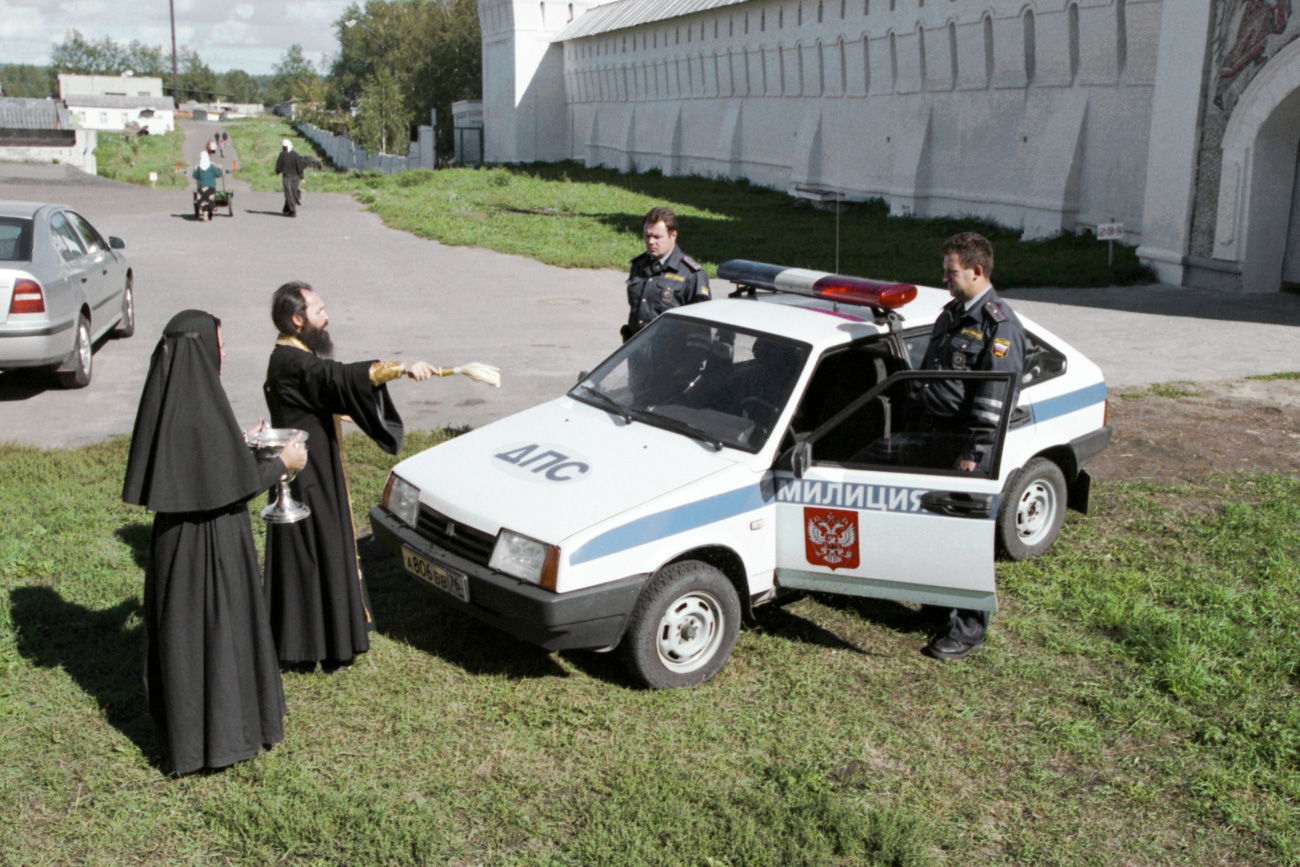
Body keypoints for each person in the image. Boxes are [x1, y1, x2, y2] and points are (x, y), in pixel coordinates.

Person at [122, 309, 308, 775]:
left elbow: (206, 462)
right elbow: (228, 485)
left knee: (187, 637)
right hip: (214, 544)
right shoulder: (201, 404)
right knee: (220, 631)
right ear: (202, 349)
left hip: (174, 547)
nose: (223, 353)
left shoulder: (174, 400)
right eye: (219, 345)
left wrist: (241, 444)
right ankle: (227, 736)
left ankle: (193, 735)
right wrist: (282, 464)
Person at [262, 281, 436, 672]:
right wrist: (400, 367)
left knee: (326, 548)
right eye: (319, 311)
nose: (327, 318)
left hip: (318, 468)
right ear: (297, 318)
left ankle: (329, 636)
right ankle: (317, 645)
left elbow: (320, 392)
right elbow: (334, 378)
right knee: (316, 553)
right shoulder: (291, 360)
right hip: (307, 476)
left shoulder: (295, 352)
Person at [912, 232, 1026, 661]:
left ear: (977, 272)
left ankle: (968, 629)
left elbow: (992, 403)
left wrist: (971, 456)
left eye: (951, 271)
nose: (944, 277)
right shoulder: (953, 313)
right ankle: (939, 606)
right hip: (936, 437)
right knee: (936, 529)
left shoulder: (1000, 328)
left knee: (964, 537)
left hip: (966, 448)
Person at [621, 206, 710, 342]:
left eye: (657, 237)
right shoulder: (639, 265)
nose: (651, 242)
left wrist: (688, 361)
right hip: (638, 354)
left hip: (672, 357)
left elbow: (701, 328)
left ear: (673, 235)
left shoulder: (691, 274)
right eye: (647, 235)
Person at [273, 139, 321, 217]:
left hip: (287, 177)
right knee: (291, 193)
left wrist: (277, 172)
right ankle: (287, 209)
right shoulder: (294, 154)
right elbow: (299, 167)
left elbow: (279, 166)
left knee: (289, 193)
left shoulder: (284, 155)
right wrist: (301, 177)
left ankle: (292, 211)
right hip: (295, 177)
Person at [191, 151, 222, 221]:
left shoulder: (199, 167)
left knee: (202, 199)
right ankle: (211, 210)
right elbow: (219, 174)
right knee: (211, 199)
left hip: (201, 187)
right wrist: (219, 168)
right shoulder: (212, 166)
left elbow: (194, 175)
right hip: (211, 187)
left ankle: (204, 210)